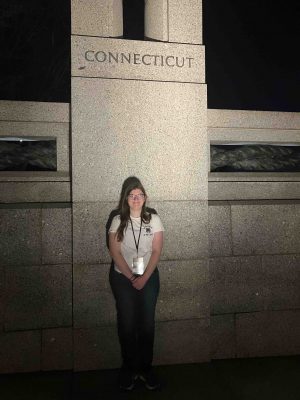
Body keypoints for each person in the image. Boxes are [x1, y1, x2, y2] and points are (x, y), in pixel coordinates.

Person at [108, 177, 164, 391]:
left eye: (139, 195)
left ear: (145, 197)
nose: (136, 199)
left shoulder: (154, 219)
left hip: (148, 276)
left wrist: (144, 278)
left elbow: (157, 251)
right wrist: (132, 278)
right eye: (131, 195)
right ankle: (129, 369)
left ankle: (146, 369)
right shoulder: (117, 219)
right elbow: (115, 252)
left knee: (147, 324)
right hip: (122, 277)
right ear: (126, 198)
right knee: (127, 324)